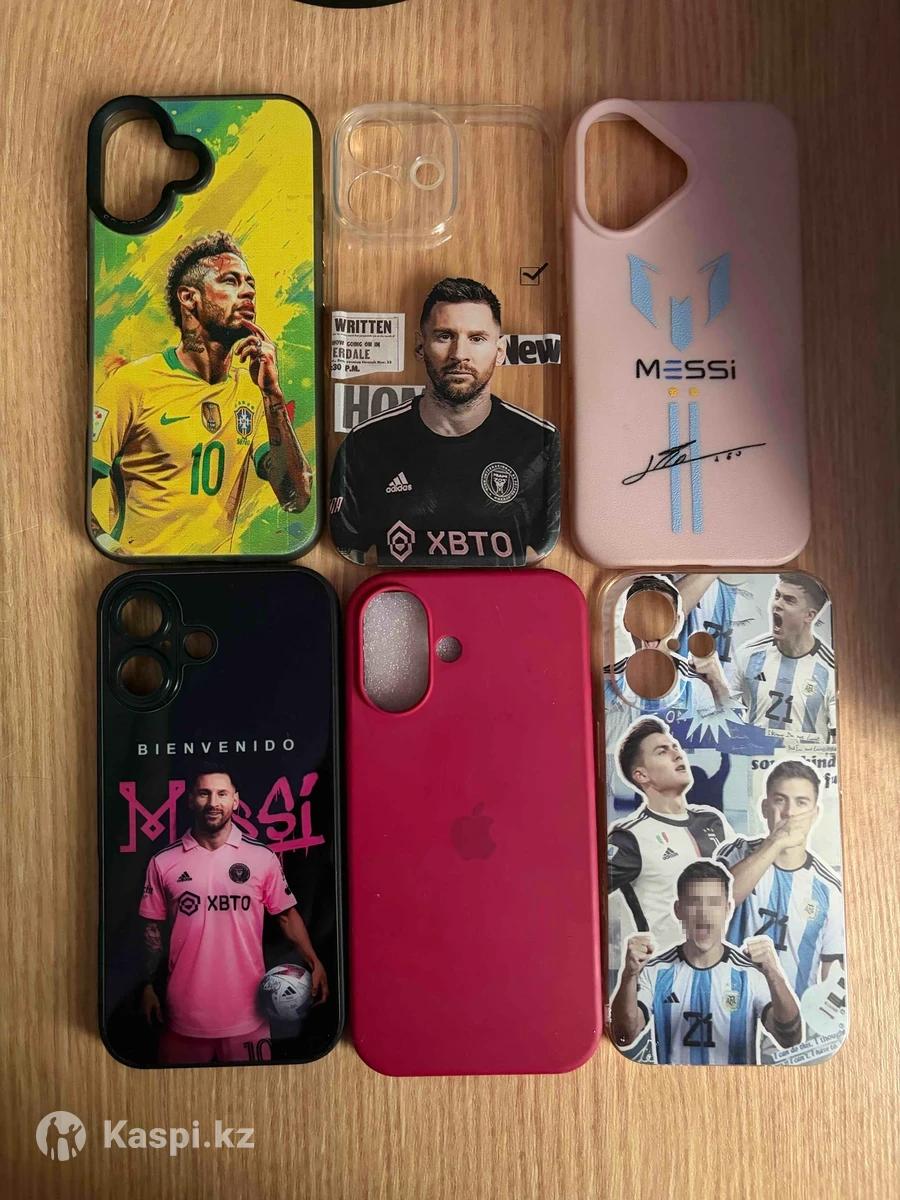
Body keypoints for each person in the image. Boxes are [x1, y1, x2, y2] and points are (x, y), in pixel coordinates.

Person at [91, 231, 312, 556]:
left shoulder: (252, 391)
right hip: (147, 568)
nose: (248, 292)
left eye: (250, 283)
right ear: (188, 297)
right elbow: (74, 492)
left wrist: (272, 394)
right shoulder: (131, 383)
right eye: (230, 281)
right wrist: (113, 550)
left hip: (217, 574)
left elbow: (296, 498)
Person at [329, 277, 560, 565]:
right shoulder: (365, 444)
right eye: (444, 336)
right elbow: (352, 550)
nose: (459, 354)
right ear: (420, 346)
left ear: (499, 351)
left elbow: (542, 550)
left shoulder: (539, 442)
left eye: (477, 338)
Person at [139, 766, 328, 1065]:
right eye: (204, 793)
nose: (213, 802)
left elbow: (285, 916)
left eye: (222, 794)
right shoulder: (163, 862)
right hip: (183, 1016)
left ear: (235, 801)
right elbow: (152, 928)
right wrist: (148, 985)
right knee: (179, 1092)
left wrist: (314, 961)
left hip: (249, 1016)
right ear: (190, 800)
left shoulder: (261, 857)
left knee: (251, 1091)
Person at [610, 860, 803, 1064]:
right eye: (694, 902)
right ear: (678, 910)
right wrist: (629, 974)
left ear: (728, 909)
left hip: (735, 1084)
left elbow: (790, 1038)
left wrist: (775, 974)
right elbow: (624, 1035)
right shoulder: (655, 971)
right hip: (671, 1083)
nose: (703, 912)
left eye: (713, 902)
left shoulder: (751, 972)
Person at [715, 759, 844, 998]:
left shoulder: (830, 888)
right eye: (780, 800)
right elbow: (714, 904)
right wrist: (776, 842)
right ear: (765, 808)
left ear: (815, 814)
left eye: (801, 802)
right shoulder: (737, 852)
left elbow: (833, 976)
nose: (789, 812)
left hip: (792, 1012)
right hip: (729, 1005)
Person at [607, 717, 735, 953]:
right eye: (662, 751)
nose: (677, 754)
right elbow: (580, 898)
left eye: (675, 747)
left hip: (722, 966)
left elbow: (743, 885)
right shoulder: (630, 837)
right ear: (642, 775)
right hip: (666, 968)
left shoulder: (713, 820)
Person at [731, 573, 836, 743]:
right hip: (755, 758)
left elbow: (841, 739)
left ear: (809, 615)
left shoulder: (832, 671)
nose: (777, 604)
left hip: (807, 759)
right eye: (777, 595)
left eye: (789, 600)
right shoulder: (748, 655)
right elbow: (723, 712)